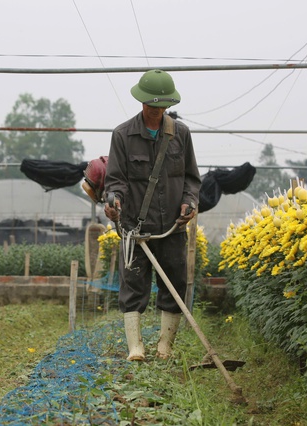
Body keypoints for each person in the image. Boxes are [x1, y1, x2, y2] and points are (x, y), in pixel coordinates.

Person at [104, 69, 201, 361]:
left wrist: (189, 203)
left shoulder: (180, 134)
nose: (157, 112)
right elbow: (116, 180)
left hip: (171, 227)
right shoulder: (122, 135)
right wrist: (114, 200)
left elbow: (191, 179)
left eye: (162, 107)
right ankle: (135, 347)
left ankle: (164, 346)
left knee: (175, 281)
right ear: (142, 103)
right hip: (135, 227)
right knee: (133, 283)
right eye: (152, 106)